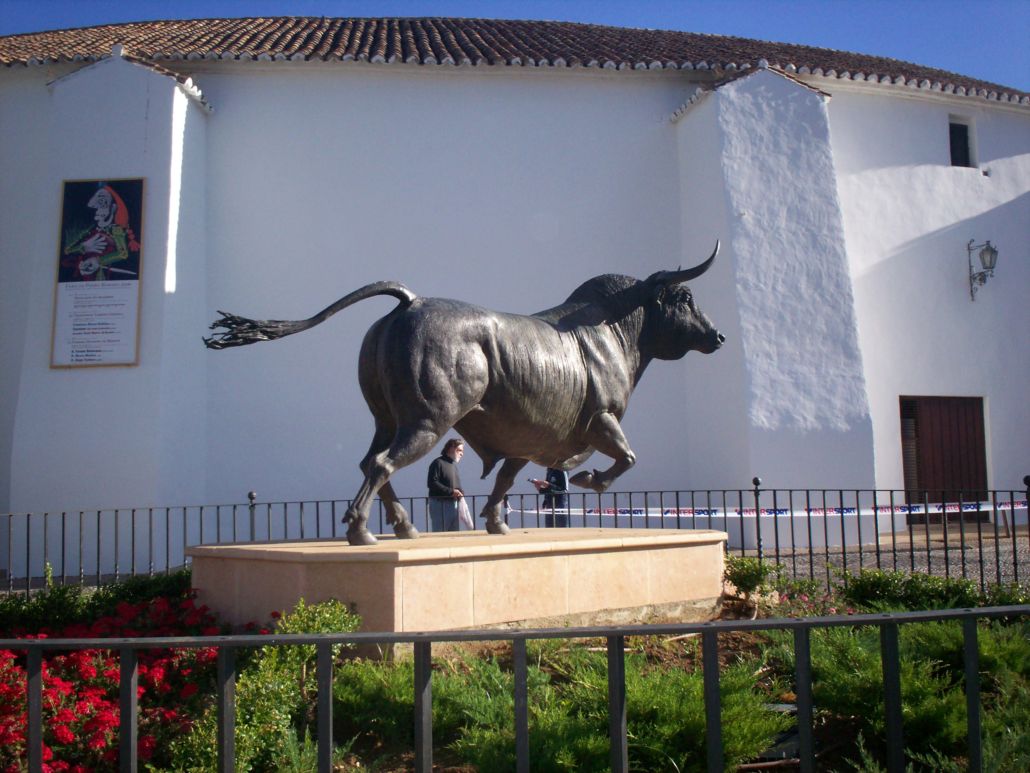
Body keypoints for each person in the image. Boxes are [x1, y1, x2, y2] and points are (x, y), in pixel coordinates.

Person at [427, 438, 465, 532]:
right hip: (440, 505)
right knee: (440, 535)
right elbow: (432, 482)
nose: (462, 454)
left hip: (454, 504)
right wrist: (452, 491)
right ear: (451, 448)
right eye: (459, 450)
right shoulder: (438, 463)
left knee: (454, 536)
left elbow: (455, 485)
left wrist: (460, 493)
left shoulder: (453, 465)